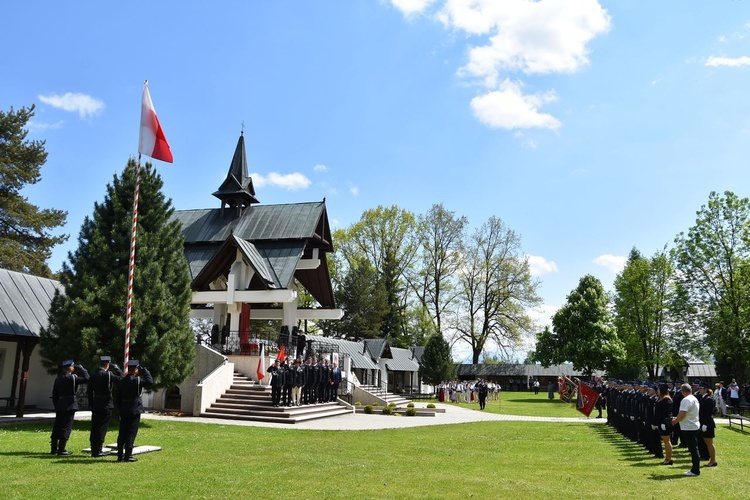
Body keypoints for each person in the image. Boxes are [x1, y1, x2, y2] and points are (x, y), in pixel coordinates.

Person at [115, 360, 153, 462]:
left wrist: (120, 408)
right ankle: (128, 456)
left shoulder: (122, 381)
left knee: (122, 432)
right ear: (135, 370)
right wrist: (146, 372)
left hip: (124, 409)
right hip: (134, 409)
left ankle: (119, 455)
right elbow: (150, 381)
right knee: (131, 433)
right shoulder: (137, 381)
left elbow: (117, 397)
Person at [50, 359, 90, 456]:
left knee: (57, 426)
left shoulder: (58, 379)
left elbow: (54, 394)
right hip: (70, 404)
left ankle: (54, 448)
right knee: (66, 427)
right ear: (71, 368)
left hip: (60, 404)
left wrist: (57, 405)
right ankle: (62, 449)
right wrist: (83, 369)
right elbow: (87, 378)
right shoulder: (72, 378)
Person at [87, 355, 123, 457]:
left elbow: (89, 391)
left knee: (95, 427)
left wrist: (91, 403)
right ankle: (98, 450)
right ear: (108, 364)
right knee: (102, 427)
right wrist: (116, 368)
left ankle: (94, 448)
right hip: (106, 403)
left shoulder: (93, 374)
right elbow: (121, 378)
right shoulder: (108, 375)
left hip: (96, 403)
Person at [671, 383, 701, 476]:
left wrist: (674, 421)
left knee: (693, 449)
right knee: (694, 448)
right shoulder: (694, 398)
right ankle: (695, 468)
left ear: (683, 392)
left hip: (689, 427)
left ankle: (695, 470)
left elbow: (682, 413)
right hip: (694, 425)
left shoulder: (686, 400)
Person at [698, 383, 717, 467]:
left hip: (708, 423)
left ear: (705, 389)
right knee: (706, 442)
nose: (699, 390)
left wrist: (705, 423)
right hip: (703, 423)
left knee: (709, 443)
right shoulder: (703, 398)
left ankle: (713, 460)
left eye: (701, 388)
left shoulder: (708, 399)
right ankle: (711, 459)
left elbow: (709, 413)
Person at [654, 384, 673, 465]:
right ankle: (667, 458)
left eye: (658, 389)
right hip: (660, 422)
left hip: (664, 423)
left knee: (667, 441)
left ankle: (668, 458)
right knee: (665, 441)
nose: (657, 391)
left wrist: (664, 423)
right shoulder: (661, 399)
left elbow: (667, 413)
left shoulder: (667, 400)